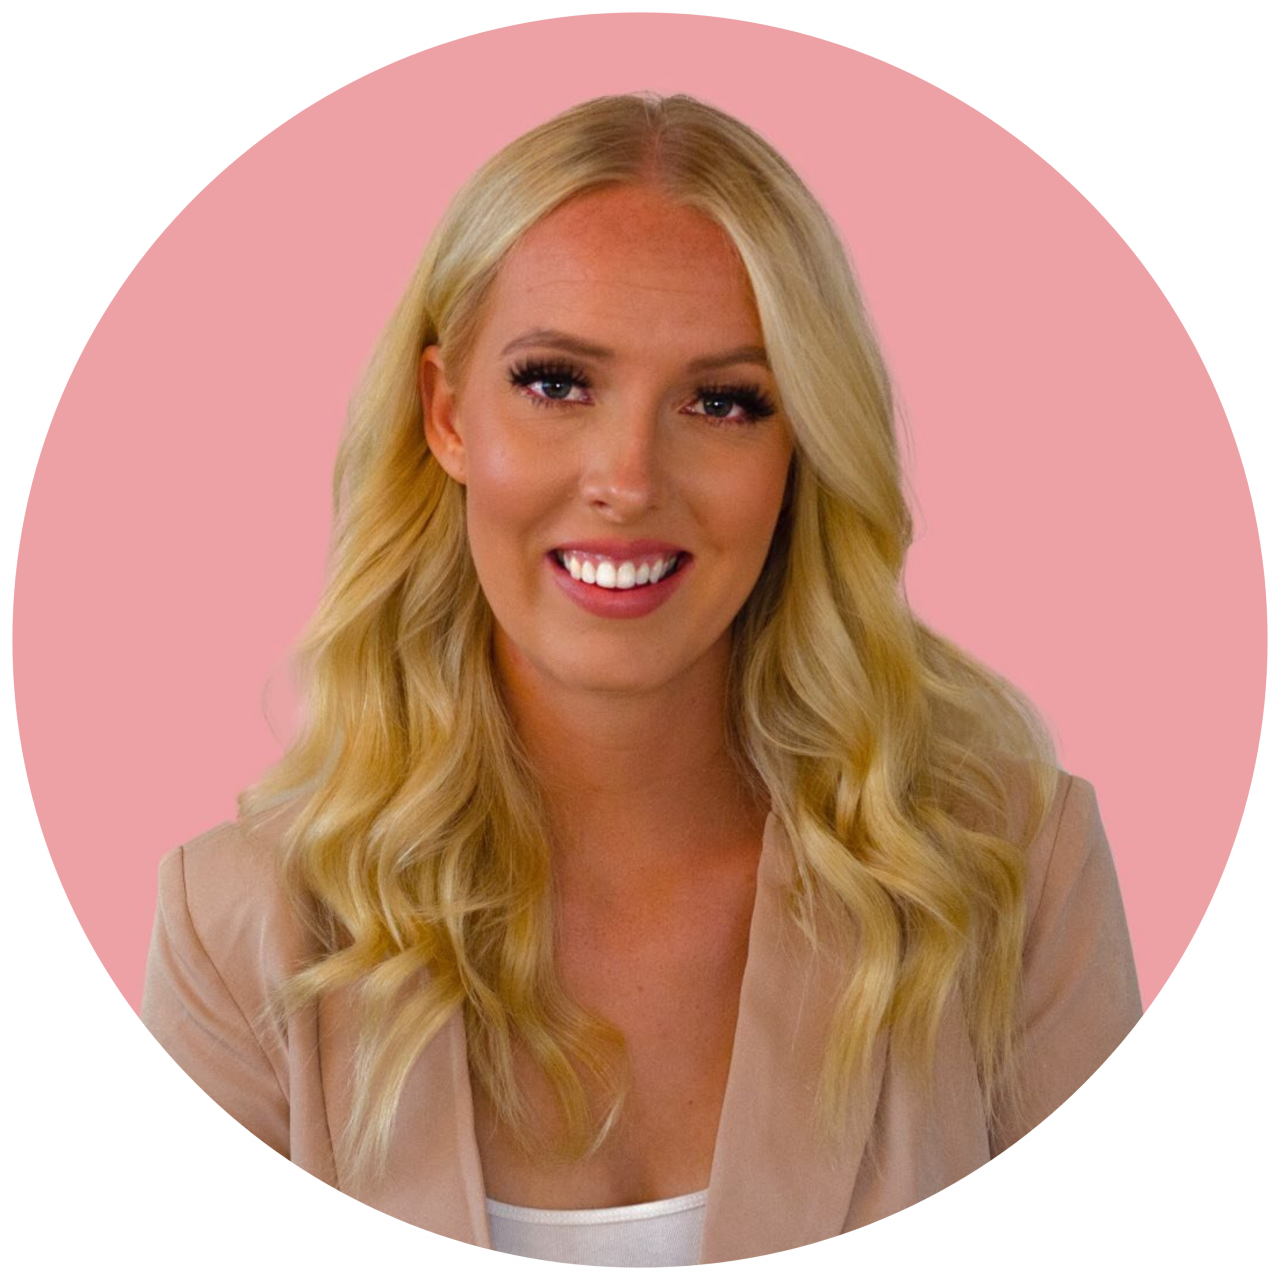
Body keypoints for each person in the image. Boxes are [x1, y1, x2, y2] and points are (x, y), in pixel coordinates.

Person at [141, 92, 1141, 1267]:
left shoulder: (1007, 870)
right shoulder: (242, 926)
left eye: (721, 401)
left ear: (800, 447)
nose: (626, 479)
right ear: (446, 415)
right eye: (557, 382)